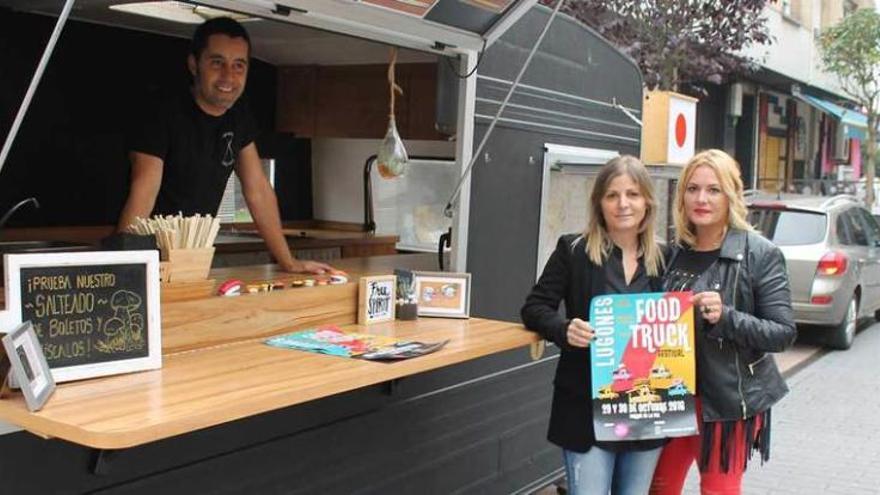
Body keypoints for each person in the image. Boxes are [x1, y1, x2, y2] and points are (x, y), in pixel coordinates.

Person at [117, 17, 332, 274]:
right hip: (147, 250)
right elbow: (145, 189)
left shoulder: (238, 114)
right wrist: (123, 268)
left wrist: (288, 262)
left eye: (238, 65)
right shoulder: (162, 112)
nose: (228, 76)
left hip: (193, 252)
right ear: (194, 64)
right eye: (217, 63)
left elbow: (258, 190)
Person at [649, 149, 796, 495]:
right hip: (671, 396)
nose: (701, 198)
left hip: (727, 401)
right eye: (692, 188)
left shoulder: (760, 254)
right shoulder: (673, 254)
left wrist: (726, 318)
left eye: (713, 190)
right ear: (681, 195)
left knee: (718, 490)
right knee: (659, 488)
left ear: (731, 195)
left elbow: (783, 333)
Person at [521, 155, 666, 495]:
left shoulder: (666, 258)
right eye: (612, 195)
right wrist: (564, 328)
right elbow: (535, 307)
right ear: (599, 203)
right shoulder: (574, 250)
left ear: (647, 201)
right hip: (586, 408)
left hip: (646, 407)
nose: (623, 204)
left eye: (632, 194)